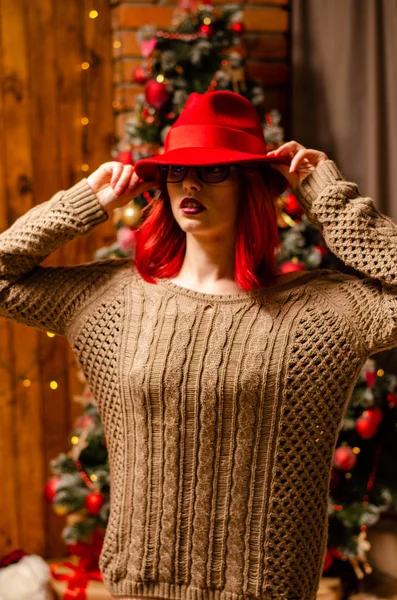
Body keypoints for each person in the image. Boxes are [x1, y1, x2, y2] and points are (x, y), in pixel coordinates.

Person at [0, 90, 396, 600]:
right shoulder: (112, 299)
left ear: (252, 184)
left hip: (265, 591)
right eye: (177, 170)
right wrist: (85, 202)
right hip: (138, 587)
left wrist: (327, 195)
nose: (189, 182)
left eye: (214, 171)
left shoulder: (320, 313)